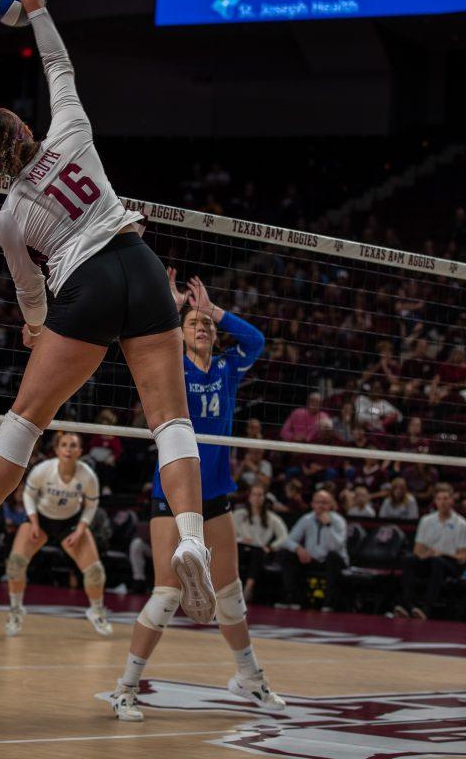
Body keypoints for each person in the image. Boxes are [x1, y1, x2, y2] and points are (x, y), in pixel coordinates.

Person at [0, 0, 216, 631]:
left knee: (27, 416)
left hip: (82, 288)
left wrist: (35, 328)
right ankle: (192, 539)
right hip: (139, 266)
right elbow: (60, 68)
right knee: (170, 420)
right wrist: (36, 5)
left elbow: (31, 295)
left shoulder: (8, 217)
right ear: (25, 131)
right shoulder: (71, 132)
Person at [111, 276, 282, 722]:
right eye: (193, 323)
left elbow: (257, 339)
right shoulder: (173, 367)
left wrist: (214, 309)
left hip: (218, 495)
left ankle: (249, 677)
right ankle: (126, 687)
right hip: (172, 491)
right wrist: (170, 310)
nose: (201, 327)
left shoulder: (227, 368)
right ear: (180, 333)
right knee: (167, 594)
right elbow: (146, 342)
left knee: (230, 594)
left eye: (206, 324)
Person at [3, 431, 110, 636]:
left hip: (70, 522)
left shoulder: (87, 475)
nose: (68, 449)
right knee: (15, 564)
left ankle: (96, 611)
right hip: (41, 519)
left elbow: (91, 504)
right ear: (57, 449)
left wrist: (80, 530)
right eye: (64, 445)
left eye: (73, 445)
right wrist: (33, 522)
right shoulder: (43, 470)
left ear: (80, 451)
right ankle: (16, 610)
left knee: (95, 573)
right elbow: (28, 494)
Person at [392, 485, 466, 619]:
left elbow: (462, 557)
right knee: (409, 559)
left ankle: (427, 608)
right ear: (435, 501)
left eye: (446, 498)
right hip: (429, 560)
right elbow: (418, 549)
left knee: (437, 562)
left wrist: (442, 553)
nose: (443, 502)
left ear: (452, 500)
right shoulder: (426, 520)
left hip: (450, 563)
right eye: (439, 499)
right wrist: (425, 554)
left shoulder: (462, 524)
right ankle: (409, 605)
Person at [277, 490, 348, 612]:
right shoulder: (307, 519)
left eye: (324, 502)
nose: (321, 505)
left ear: (331, 505)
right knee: (286, 554)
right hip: (312, 559)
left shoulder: (338, 521)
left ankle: (329, 603)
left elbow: (336, 546)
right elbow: (288, 540)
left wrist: (328, 526)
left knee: (333, 557)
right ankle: (293, 598)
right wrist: (299, 549)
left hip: (333, 561)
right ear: (312, 504)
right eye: (317, 502)